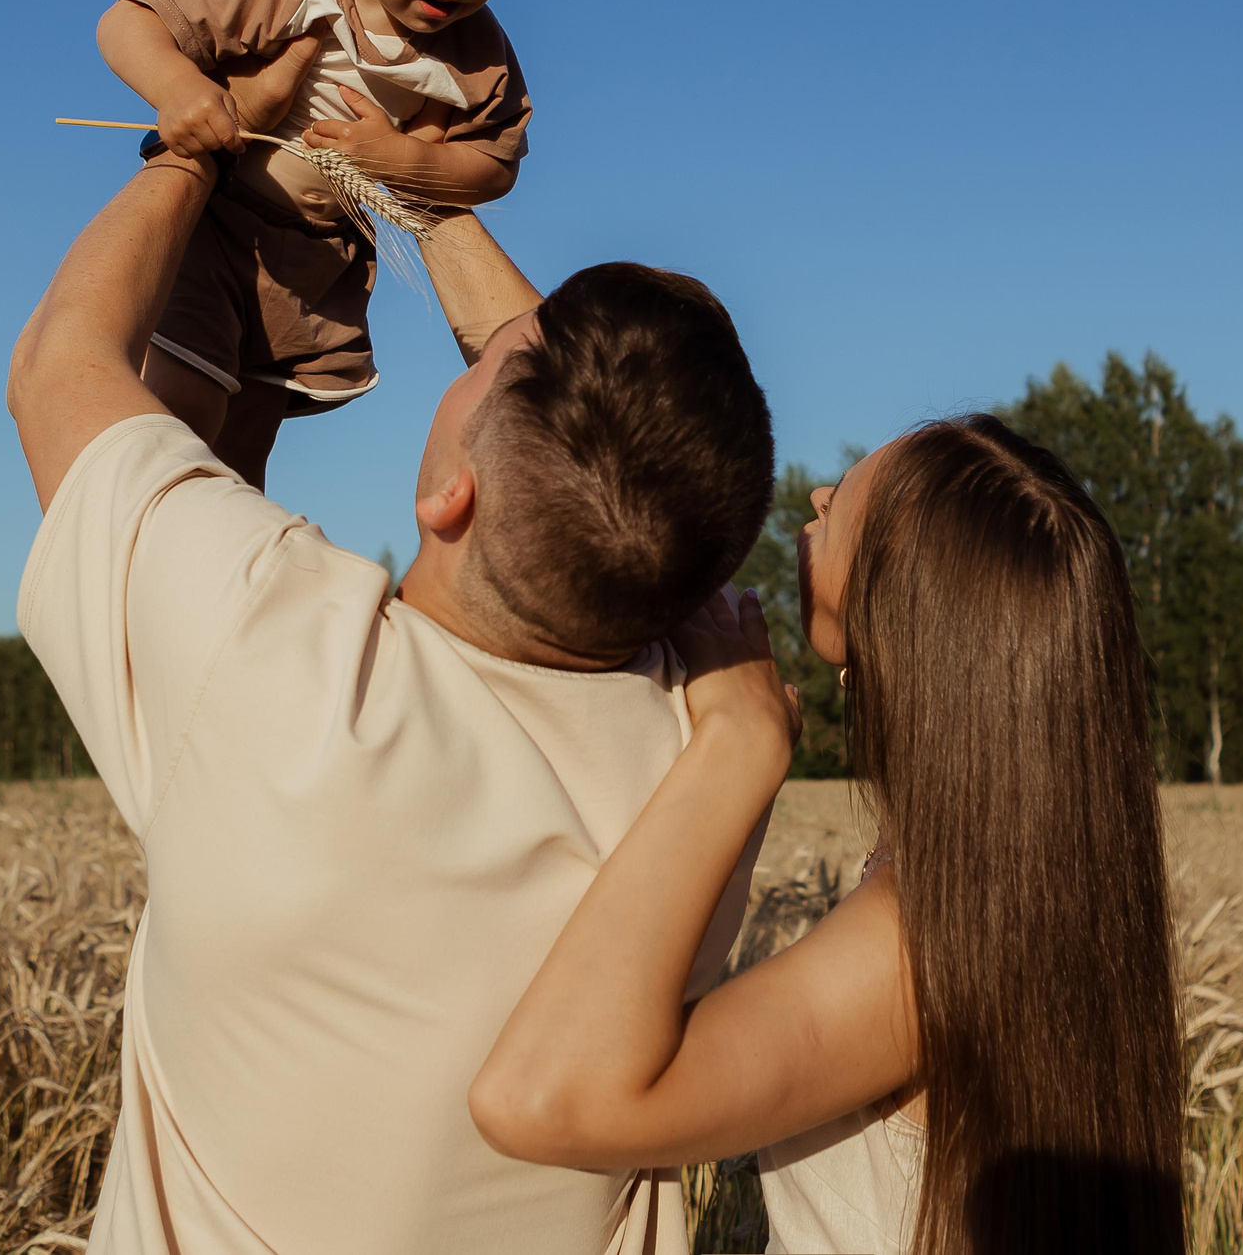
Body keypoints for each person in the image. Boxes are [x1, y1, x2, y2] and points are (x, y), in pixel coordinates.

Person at [3, 44, 778, 1255]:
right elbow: (621, 448)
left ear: (450, 495)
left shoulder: (265, 646)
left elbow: (60, 364)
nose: (484, 356)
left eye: (490, 375)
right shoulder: (703, 759)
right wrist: (401, 184)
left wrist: (190, 151)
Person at [473, 416, 1187, 1255]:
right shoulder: (1031, 886)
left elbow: (541, 1096)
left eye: (844, 495)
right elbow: (611, 423)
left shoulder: (915, 949)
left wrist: (741, 742)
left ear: (904, 600)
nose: (816, 494)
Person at [94, 0, 549, 487]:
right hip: (217, 229)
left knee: (245, 450)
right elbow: (130, 19)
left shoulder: (476, 54)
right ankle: (145, 551)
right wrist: (179, 89)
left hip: (315, 266)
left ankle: (224, 586)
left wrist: (413, 163)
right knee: (183, 411)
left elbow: (496, 162)